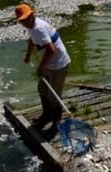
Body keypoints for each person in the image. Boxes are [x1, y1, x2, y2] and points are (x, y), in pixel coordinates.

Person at [15, 3, 71, 134]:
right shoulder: (31, 26)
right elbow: (32, 40)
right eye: (21, 20)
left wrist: (40, 67)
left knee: (54, 96)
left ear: (32, 15)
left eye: (26, 19)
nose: (24, 22)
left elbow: (50, 50)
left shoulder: (39, 28)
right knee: (42, 89)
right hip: (48, 64)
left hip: (59, 64)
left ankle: (56, 123)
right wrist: (28, 55)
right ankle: (46, 116)